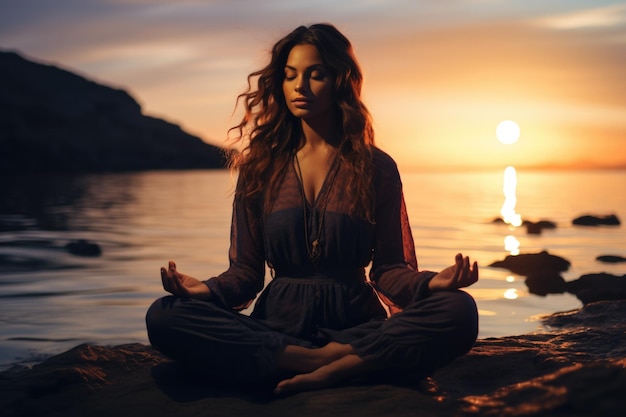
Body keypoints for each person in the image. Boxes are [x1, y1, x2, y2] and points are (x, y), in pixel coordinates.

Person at [146, 23, 479, 395]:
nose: (299, 86)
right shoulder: (260, 167)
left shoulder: (376, 167)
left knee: (459, 310)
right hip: (277, 329)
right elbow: (245, 273)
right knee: (165, 314)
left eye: (315, 74)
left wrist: (434, 283)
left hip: (357, 327)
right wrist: (202, 291)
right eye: (290, 76)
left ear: (341, 80)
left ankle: (331, 365)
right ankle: (326, 364)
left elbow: (389, 270)